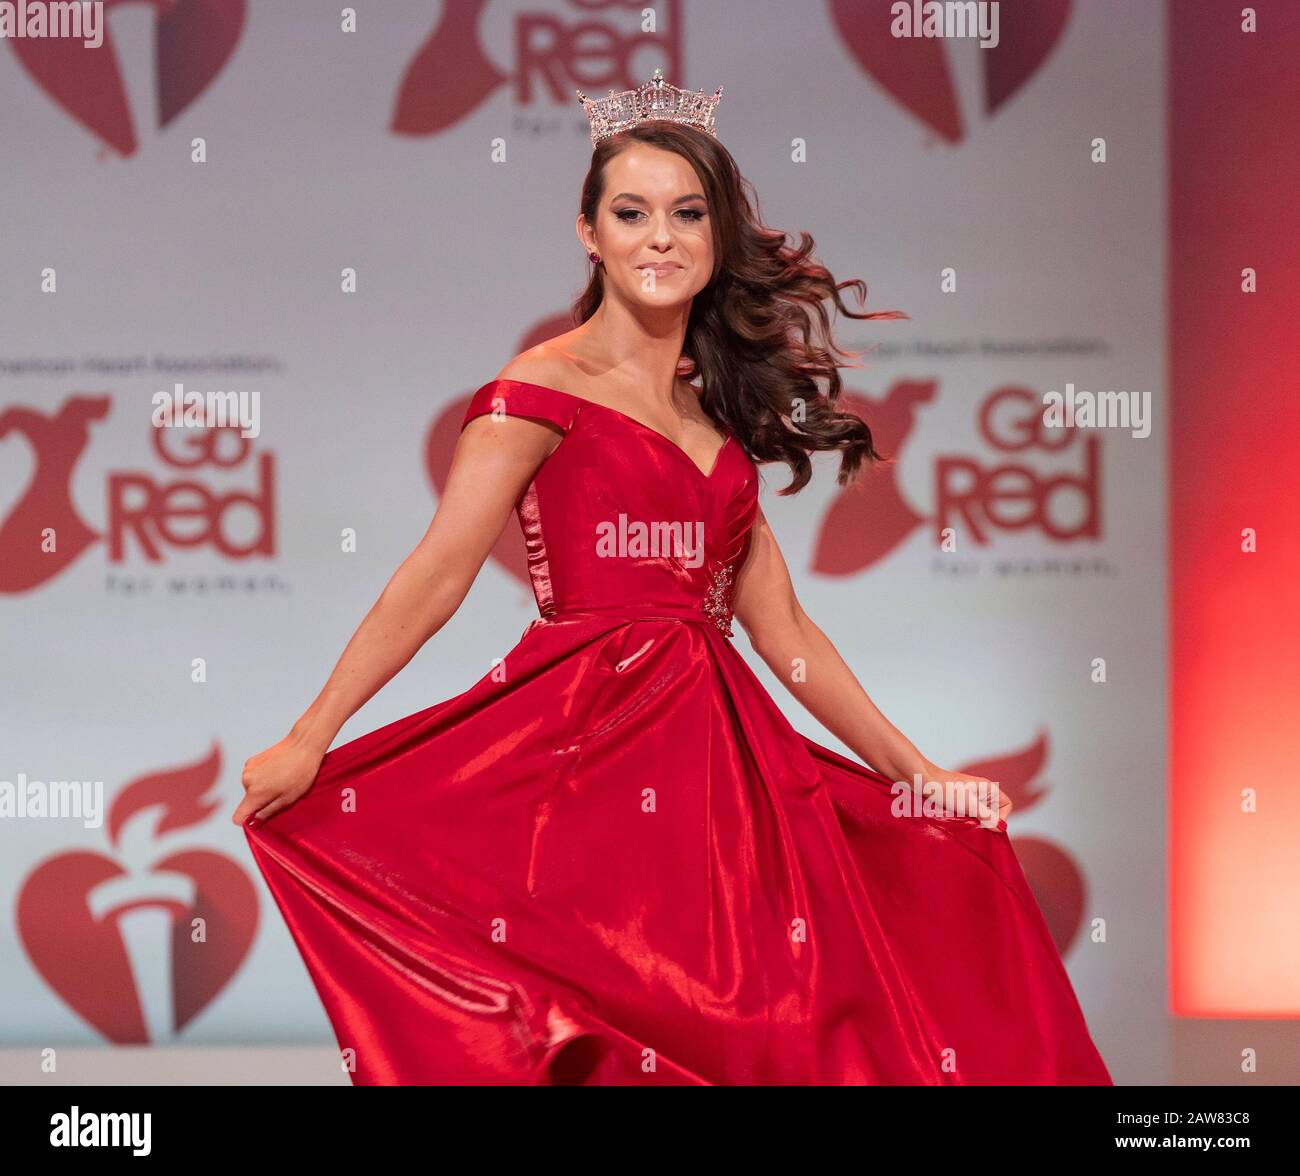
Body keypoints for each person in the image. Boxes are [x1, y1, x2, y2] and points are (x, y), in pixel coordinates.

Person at [235, 71, 1112, 1086]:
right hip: (585, 757)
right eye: (632, 212)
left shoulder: (716, 425)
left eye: (687, 213)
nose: (661, 237)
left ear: (716, 237)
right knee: (617, 1020)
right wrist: (311, 735)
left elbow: (787, 638)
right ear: (589, 234)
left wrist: (919, 776)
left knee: (799, 1014)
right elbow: (435, 575)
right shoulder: (533, 395)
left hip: (728, 778)